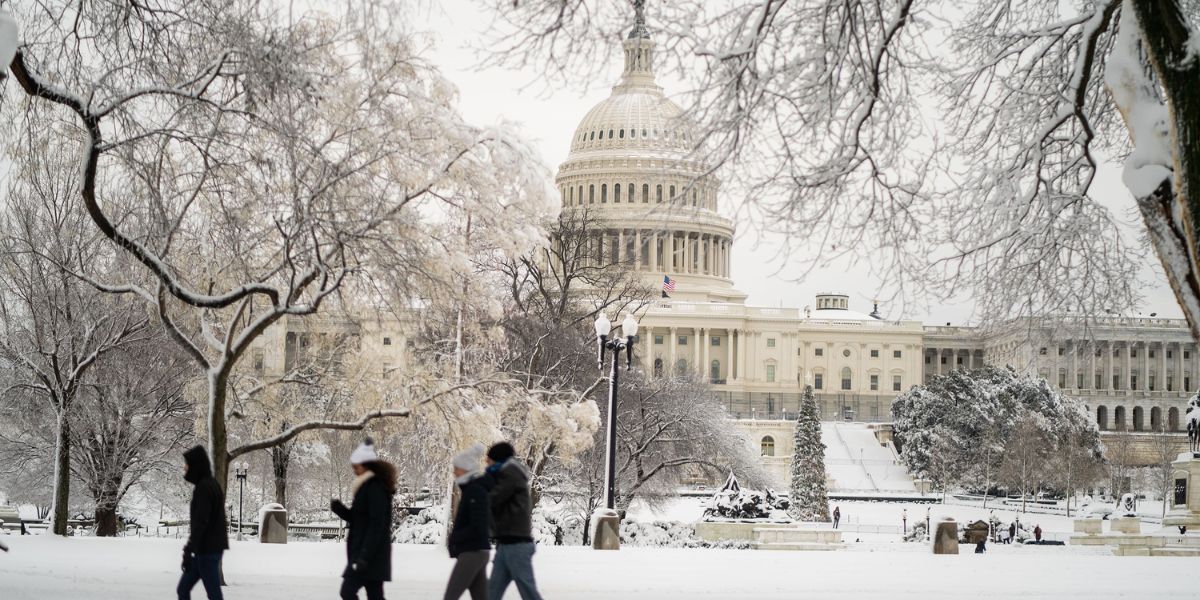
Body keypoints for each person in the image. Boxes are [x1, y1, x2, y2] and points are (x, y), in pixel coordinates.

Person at [331, 439, 396, 600]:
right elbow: (358, 519)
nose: (354, 470)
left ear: (366, 465)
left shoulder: (374, 488)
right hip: (369, 554)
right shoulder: (367, 487)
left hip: (368, 555)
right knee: (375, 596)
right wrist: (339, 509)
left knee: (347, 592)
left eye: (356, 466)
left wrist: (364, 556)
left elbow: (377, 524)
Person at [485, 442, 544, 600]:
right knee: (492, 592)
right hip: (506, 543)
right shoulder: (507, 474)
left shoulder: (510, 473)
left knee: (528, 590)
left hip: (516, 544)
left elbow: (492, 499)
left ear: (498, 460)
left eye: (489, 459)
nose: (486, 463)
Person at [178, 445, 229, 600]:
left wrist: (188, 550)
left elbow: (201, 522)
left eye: (187, 464)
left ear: (196, 466)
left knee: (213, 595)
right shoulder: (211, 484)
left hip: (207, 551)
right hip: (205, 550)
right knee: (183, 589)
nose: (185, 467)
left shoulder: (204, 488)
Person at [444, 444, 492, 600]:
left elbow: (477, 525)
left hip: (473, 552)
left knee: (451, 596)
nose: (454, 471)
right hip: (478, 551)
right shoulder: (472, 489)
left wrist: (455, 537)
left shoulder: (475, 491)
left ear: (465, 469)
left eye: (456, 468)